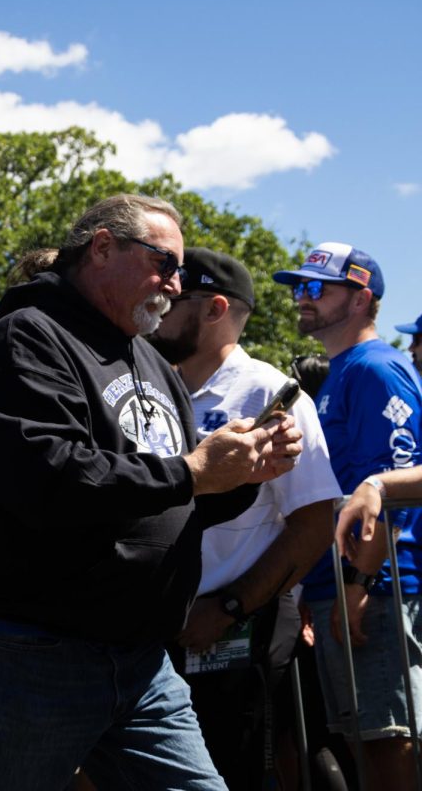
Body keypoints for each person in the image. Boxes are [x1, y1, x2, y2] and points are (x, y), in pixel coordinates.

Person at [0, 194, 303, 789]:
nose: (175, 282)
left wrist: (244, 475)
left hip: (139, 658)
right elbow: (51, 479)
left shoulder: (153, 364)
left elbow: (166, 501)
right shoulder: (28, 338)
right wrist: (193, 471)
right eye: (165, 262)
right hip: (30, 653)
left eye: (180, 271)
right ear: (103, 247)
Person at [149, 247, 340, 788]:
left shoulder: (269, 393)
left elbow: (313, 523)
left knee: (233, 773)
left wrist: (229, 607)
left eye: (175, 298)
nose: (160, 306)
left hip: (236, 636)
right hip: (159, 631)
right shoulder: (152, 387)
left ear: (214, 309)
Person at [274, 243, 422, 791]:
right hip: (340, 587)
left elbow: (399, 484)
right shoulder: (342, 372)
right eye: (298, 288)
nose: (302, 299)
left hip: (374, 590)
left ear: (361, 299)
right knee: (366, 746)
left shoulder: (376, 369)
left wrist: (358, 583)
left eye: (317, 288)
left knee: (387, 746)